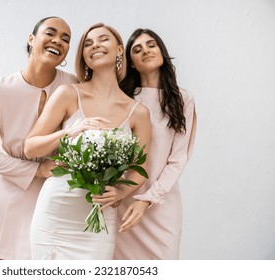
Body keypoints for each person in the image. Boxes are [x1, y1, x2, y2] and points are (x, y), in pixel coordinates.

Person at [23, 23, 151, 260]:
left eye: (103, 39)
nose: (95, 46)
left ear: (120, 49)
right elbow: (30, 147)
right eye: (88, 44)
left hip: (99, 217)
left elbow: (139, 169)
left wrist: (120, 192)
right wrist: (71, 131)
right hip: (56, 212)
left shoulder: (139, 112)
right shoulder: (68, 94)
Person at [0, 16, 77, 260]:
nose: (57, 41)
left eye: (65, 39)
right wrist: (37, 171)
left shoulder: (73, 85)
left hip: (55, 193)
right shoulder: (0, 90)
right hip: (9, 190)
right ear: (32, 39)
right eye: (50, 33)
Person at [115, 28, 197, 259]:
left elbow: (178, 159)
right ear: (130, 62)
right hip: (124, 201)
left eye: (151, 45)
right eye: (137, 49)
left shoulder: (183, 99)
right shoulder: (123, 99)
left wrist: (147, 200)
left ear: (161, 51)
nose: (146, 51)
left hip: (162, 204)